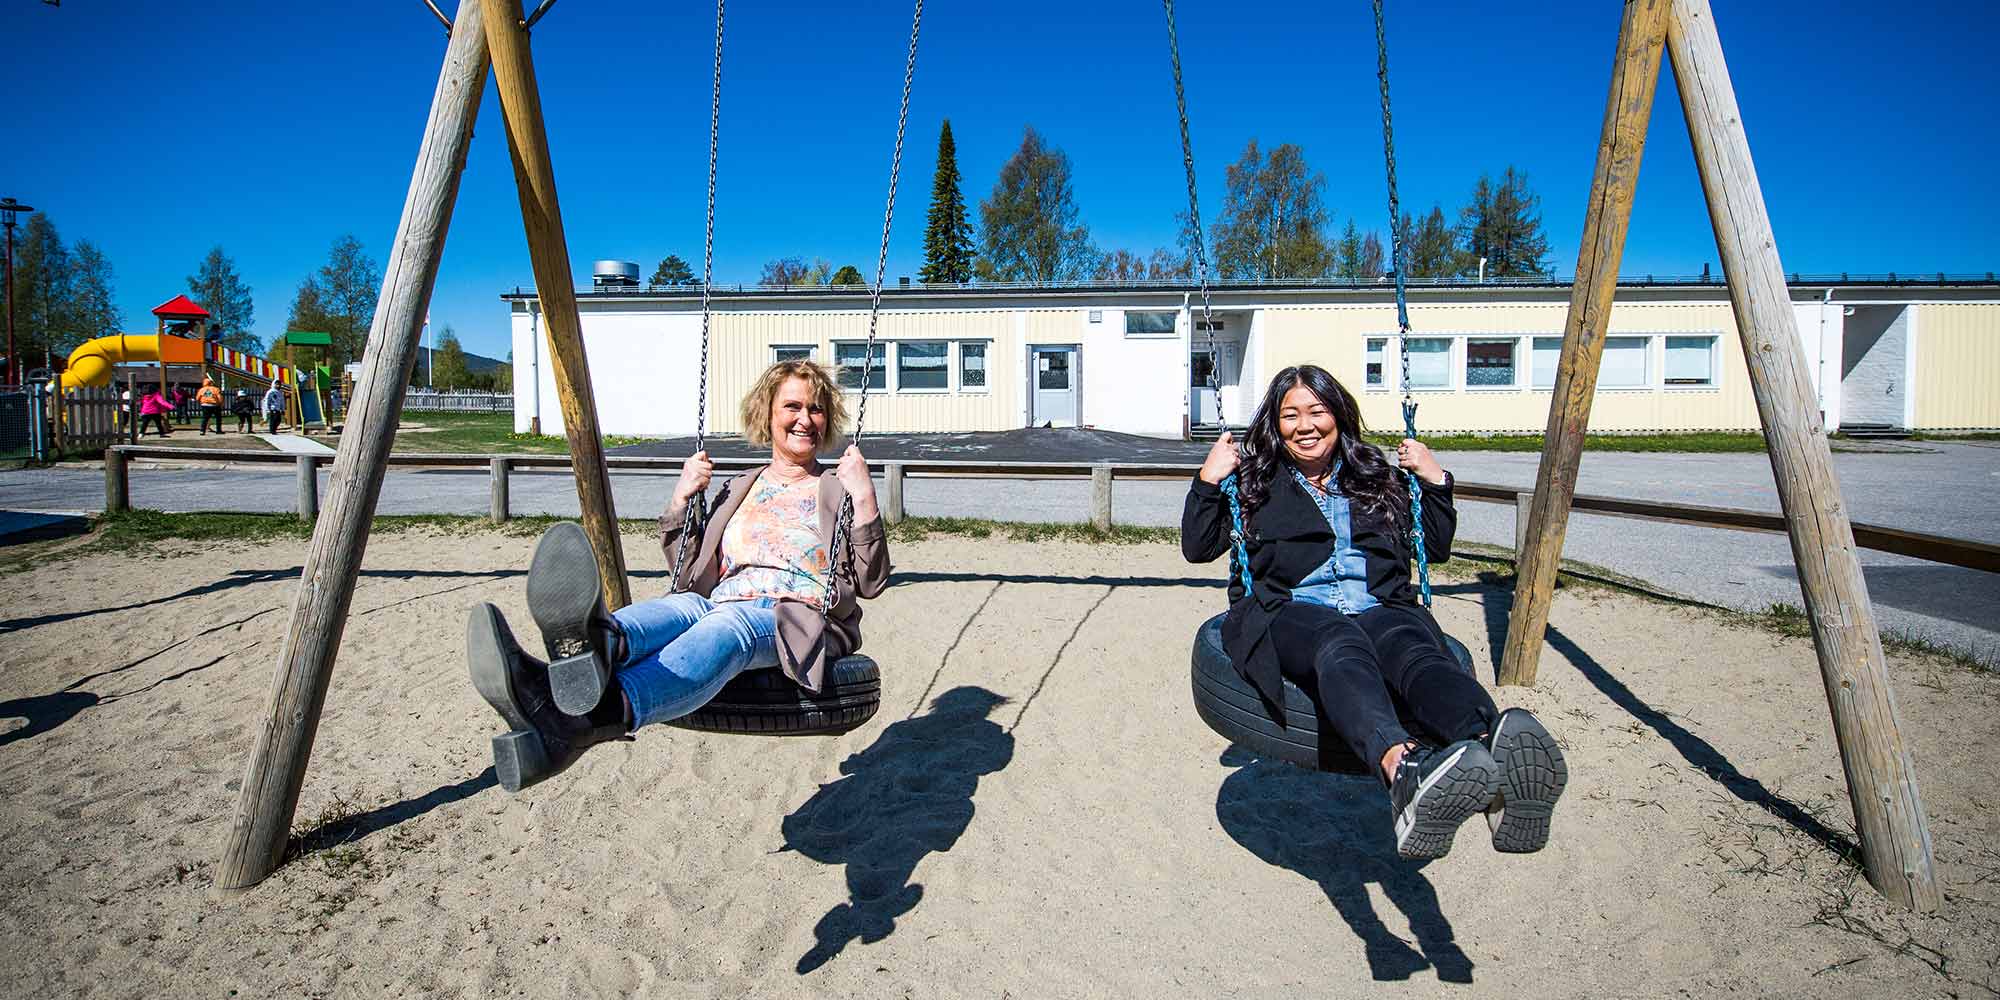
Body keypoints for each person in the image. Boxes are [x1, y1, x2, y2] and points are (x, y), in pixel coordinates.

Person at [1181, 364, 1567, 860]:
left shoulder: (1375, 477)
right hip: (1291, 611)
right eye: (1290, 415)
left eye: (1317, 411)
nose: (1305, 425)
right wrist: (1209, 480)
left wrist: (1436, 481)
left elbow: (1434, 545)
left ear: (1338, 416)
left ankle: (1492, 753)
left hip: (1379, 605)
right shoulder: (1256, 481)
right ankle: (1403, 773)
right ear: (1275, 426)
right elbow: (1198, 546)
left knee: (1416, 652)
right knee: (1338, 642)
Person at [468, 359, 893, 792]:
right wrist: (681, 497)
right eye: (793, 406)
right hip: (719, 601)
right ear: (767, 412)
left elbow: (871, 581)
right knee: (681, 605)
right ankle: (594, 646)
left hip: (796, 618)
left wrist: (865, 497)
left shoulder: (839, 487)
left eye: (817, 409)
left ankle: (593, 714)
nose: (806, 419)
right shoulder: (737, 486)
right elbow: (688, 572)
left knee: (729, 624)